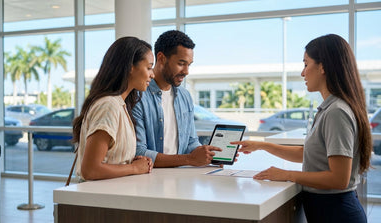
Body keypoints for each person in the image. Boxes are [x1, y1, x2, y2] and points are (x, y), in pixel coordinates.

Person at [231, 34, 372, 223]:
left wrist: (287, 175)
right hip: (328, 210)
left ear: (322, 67)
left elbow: (339, 179)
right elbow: (309, 154)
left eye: (306, 64)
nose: (302, 73)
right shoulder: (329, 108)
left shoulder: (337, 111)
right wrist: (262, 146)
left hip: (337, 213)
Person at [132, 30, 222, 167]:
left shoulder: (185, 96)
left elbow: (191, 142)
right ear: (161, 58)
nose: (186, 71)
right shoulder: (138, 96)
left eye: (189, 65)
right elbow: (139, 152)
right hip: (149, 180)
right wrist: (189, 159)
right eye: (181, 63)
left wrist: (207, 155)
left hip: (180, 178)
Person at [72, 36, 154, 181]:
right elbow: (90, 170)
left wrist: (131, 161)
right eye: (148, 67)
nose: (152, 75)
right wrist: (134, 168)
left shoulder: (120, 105)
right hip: (99, 199)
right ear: (130, 67)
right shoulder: (109, 106)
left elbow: (110, 157)